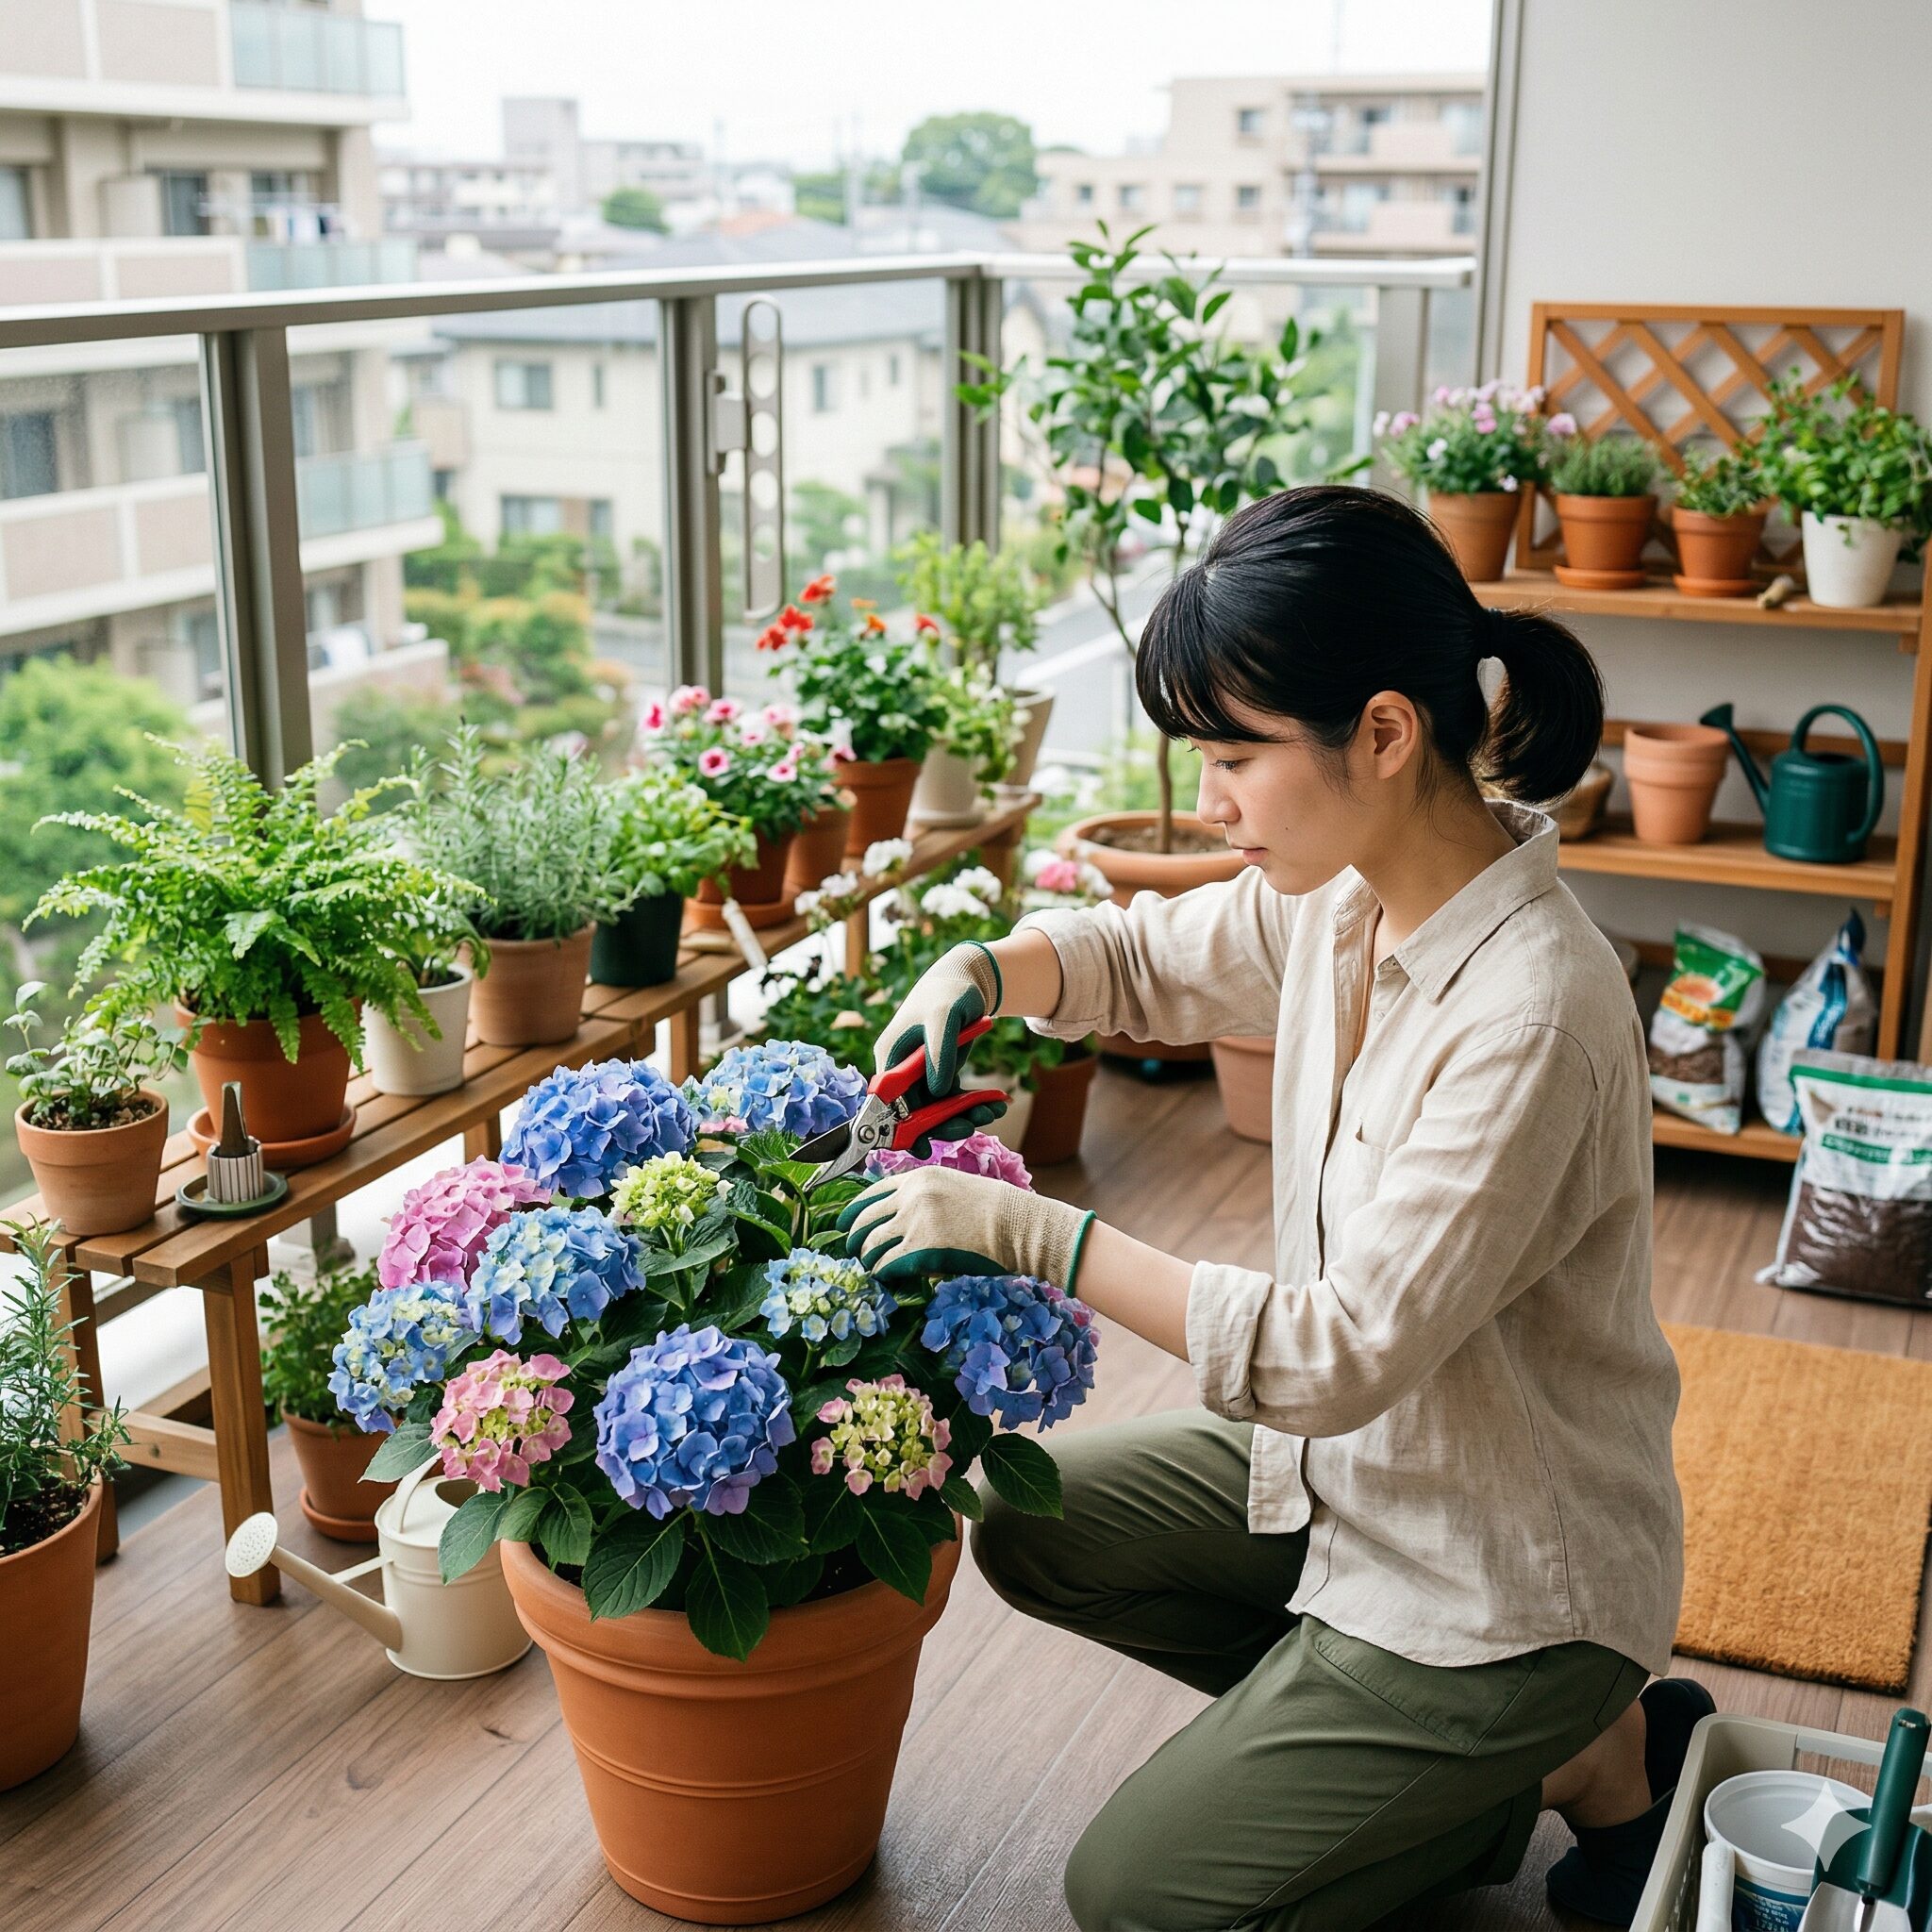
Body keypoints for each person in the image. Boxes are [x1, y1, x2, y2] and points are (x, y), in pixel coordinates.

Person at [840, 485, 1697, 1932]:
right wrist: (987, 971)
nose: (1212, 798)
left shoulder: (1533, 1012)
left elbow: (1332, 1355)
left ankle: (1546, 1738)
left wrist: (1027, 1233)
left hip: (1498, 1582)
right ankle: (1502, 1774)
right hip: (1358, 1482)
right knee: (1032, 1524)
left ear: (1381, 732)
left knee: (1134, 1899)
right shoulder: (1347, 895)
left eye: (1236, 755)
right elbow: (1141, 958)